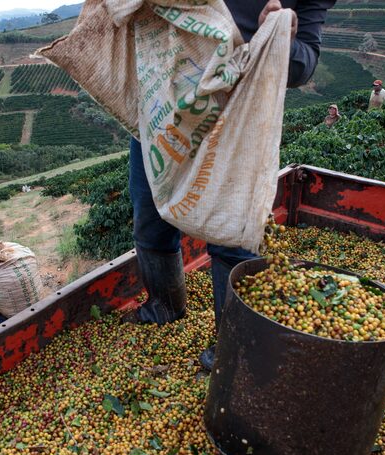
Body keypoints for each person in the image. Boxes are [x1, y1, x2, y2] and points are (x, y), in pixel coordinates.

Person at [124, 0, 337, 371]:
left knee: (233, 237)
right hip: (170, 103)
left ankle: (231, 343)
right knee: (148, 213)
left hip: (235, 116)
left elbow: (305, 61)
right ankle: (165, 305)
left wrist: (281, 38)